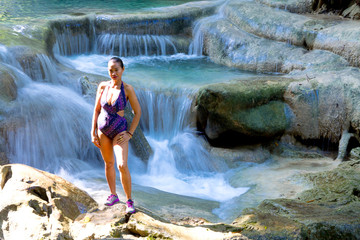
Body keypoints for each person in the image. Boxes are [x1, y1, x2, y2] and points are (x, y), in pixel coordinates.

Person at [91, 57, 141, 214]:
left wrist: (130, 133)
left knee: (122, 164)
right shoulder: (102, 86)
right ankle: (113, 195)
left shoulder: (128, 89)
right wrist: (92, 132)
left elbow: (138, 112)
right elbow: (97, 110)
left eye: (116, 70)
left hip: (120, 131)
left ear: (123, 70)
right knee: (109, 163)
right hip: (103, 130)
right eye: (110, 70)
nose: (113, 73)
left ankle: (129, 200)